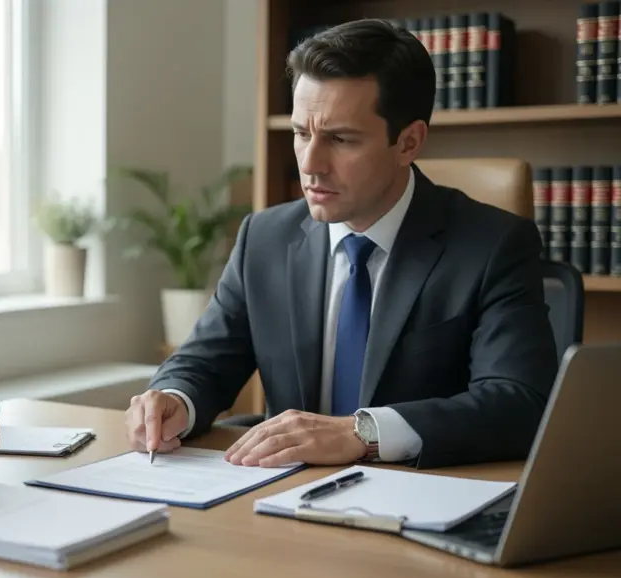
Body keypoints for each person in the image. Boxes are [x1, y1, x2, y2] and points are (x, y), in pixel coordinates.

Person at [125, 18, 558, 470]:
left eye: (340, 139)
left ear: (408, 142)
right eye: (300, 133)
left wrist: (361, 433)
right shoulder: (265, 238)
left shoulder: (493, 246)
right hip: (279, 497)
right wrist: (174, 399)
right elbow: (205, 363)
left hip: (415, 498)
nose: (310, 164)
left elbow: (519, 402)